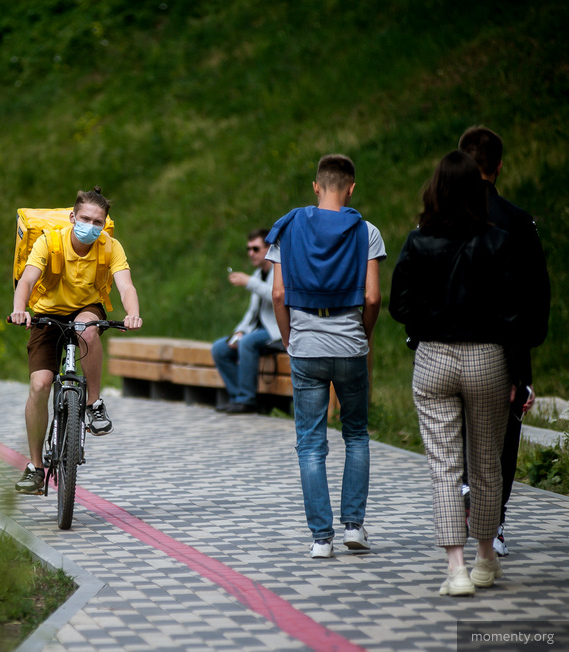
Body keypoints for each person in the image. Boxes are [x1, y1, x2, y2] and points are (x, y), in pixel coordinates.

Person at [389, 149, 536, 596]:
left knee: (444, 466)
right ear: (478, 190)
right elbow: (514, 315)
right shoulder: (499, 240)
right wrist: (519, 375)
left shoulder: (418, 241)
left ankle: (455, 569)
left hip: (434, 357)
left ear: (435, 189)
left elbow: (399, 305)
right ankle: (485, 558)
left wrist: (425, 325)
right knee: (487, 464)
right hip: (487, 357)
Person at [265, 154, 385, 559]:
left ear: (316, 186)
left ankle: (321, 538)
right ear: (351, 188)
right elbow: (373, 297)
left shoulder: (287, 228)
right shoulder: (367, 232)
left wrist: (289, 339)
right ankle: (354, 527)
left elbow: (278, 294)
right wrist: (362, 335)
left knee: (311, 444)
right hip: (351, 346)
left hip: (306, 347)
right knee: (356, 435)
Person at [9, 187, 143, 494]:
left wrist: (133, 313)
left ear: (104, 224)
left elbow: (126, 286)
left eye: (98, 222)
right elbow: (27, 279)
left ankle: (94, 403)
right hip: (48, 314)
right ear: (72, 217)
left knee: (86, 329)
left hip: (86, 308)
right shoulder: (49, 242)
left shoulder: (110, 247)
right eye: (85, 219)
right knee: (40, 385)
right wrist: (19, 309)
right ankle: (35, 467)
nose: (90, 226)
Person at [456, 126, 550, 556]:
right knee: (503, 441)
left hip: (448, 344)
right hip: (503, 346)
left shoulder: (439, 218)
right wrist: (524, 365)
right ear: (498, 166)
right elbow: (535, 294)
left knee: (457, 430)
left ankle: (464, 495)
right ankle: (494, 524)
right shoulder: (518, 221)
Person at [211, 228, 282, 414]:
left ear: (269, 248)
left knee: (247, 343)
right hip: (257, 331)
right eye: (248, 249)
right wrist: (239, 331)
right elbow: (252, 313)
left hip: (278, 331)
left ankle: (246, 400)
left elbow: (277, 296)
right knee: (220, 348)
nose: (251, 253)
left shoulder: (280, 271)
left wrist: (249, 282)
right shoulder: (258, 274)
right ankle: (237, 397)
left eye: (255, 249)